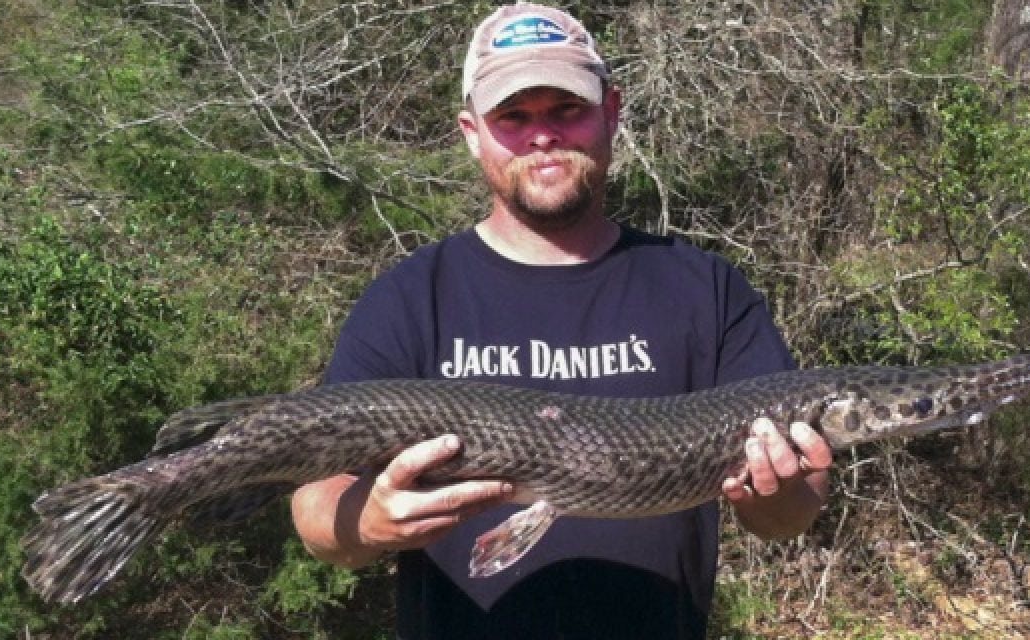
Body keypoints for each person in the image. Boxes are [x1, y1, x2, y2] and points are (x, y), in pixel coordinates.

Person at [290, 3, 832, 638]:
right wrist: (369, 521)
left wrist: (775, 494)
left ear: (611, 111)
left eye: (567, 108)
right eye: (514, 116)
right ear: (472, 133)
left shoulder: (706, 289)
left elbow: (787, 515)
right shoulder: (410, 298)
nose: (542, 134)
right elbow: (315, 510)